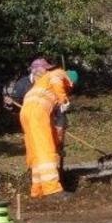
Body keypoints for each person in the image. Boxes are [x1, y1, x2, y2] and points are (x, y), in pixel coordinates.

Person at [19, 58, 74, 199]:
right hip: (37, 112)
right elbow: (57, 82)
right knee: (45, 150)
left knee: (36, 152)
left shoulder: (42, 84)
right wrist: (63, 99)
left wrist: (57, 144)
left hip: (26, 113)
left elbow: (50, 126)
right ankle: (53, 190)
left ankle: (37, 190)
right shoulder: (58, 74)